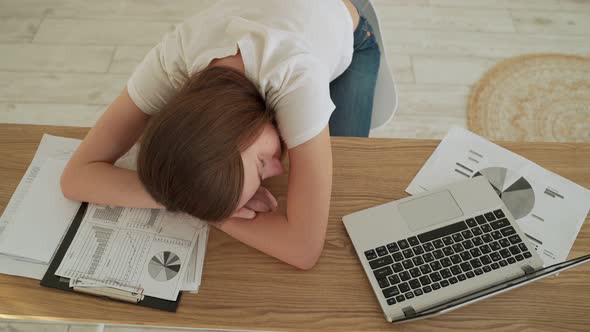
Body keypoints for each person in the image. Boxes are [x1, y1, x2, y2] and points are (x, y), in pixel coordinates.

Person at [60, 0, 380, 270]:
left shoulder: (295, 79)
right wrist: (194, 195)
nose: (277, 169)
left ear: (239, 121)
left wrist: (204, 206)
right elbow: (76, 177)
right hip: (276, 17)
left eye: (260, 163)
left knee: (347, 183)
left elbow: (304, 249)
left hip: (345, 17)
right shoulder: (173, 57)